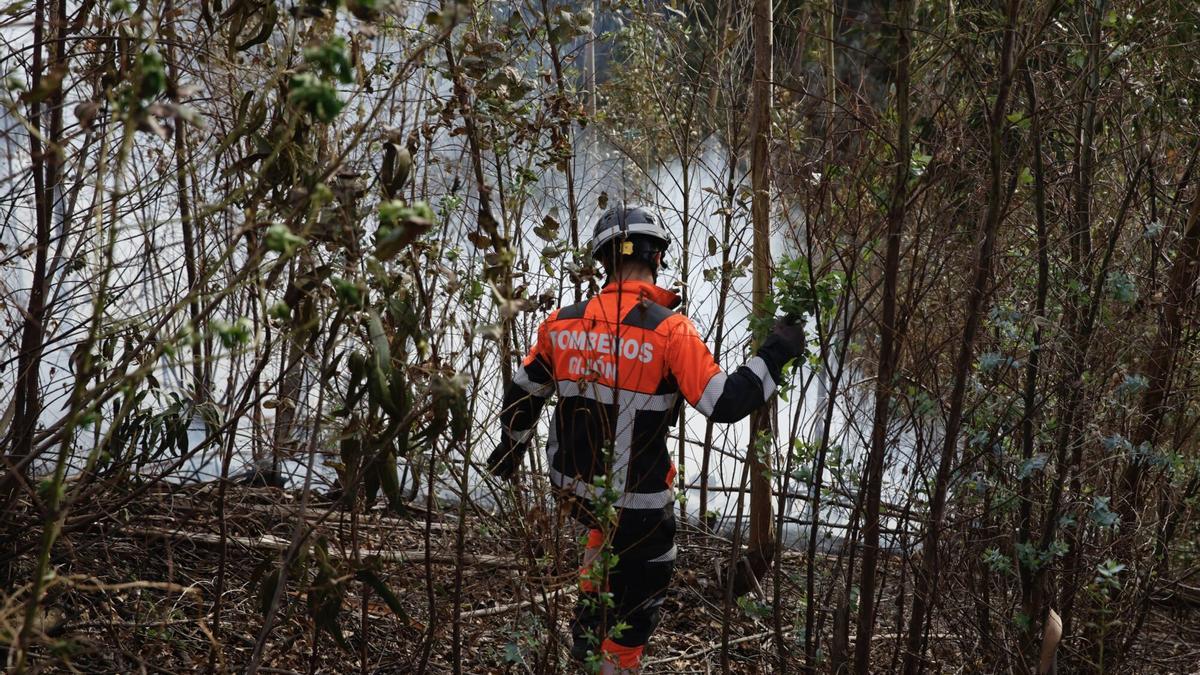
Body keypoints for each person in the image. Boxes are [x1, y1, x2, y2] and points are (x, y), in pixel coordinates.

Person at [487, 205, 805, 673]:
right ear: (657, 257)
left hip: (577, 494)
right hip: (640, 506)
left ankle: (586, 643)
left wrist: (510, 448)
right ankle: (613, 663)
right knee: (636, 607)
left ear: (603, 262)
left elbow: (522, 394)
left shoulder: (562, 323)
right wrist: (776, 352)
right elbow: (724, 402)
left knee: (603, 556)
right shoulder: (670, 331)